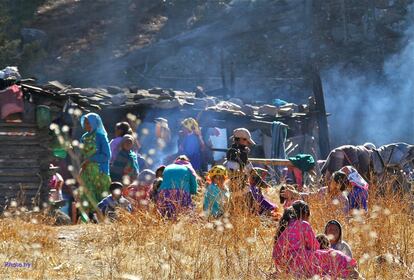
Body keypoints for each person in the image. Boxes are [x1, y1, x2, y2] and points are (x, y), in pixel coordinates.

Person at [272, 200, 359, 278]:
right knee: (333, 255)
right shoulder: (303, 224)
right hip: (298, 262)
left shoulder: (285, 225)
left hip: (283, 265)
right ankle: (352, 271)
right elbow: (315, 246)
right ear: (305, 214)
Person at [79, 113, 111, 221]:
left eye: (88, 122)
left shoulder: (100, 137)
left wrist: (90, 159)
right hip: (86, 172)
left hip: (99, 172)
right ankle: (88, 222)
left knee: (99, 197)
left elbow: (107, 155)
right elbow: (81, 155)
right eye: (85, 122)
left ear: (94, 123)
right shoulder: (83, 137)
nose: (86, 125)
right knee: (86, 196)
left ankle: (101, 220)